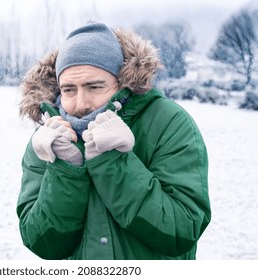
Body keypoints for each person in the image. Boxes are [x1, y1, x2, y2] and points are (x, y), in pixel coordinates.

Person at [16, 22, 211, 260]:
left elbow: (182, 230)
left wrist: (114, 162)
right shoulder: (47, 139)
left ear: (122, 81)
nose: (80, 103)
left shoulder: (168, 123)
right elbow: (42, 242)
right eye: (68, 90)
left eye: (95, 86)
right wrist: (64, 169)